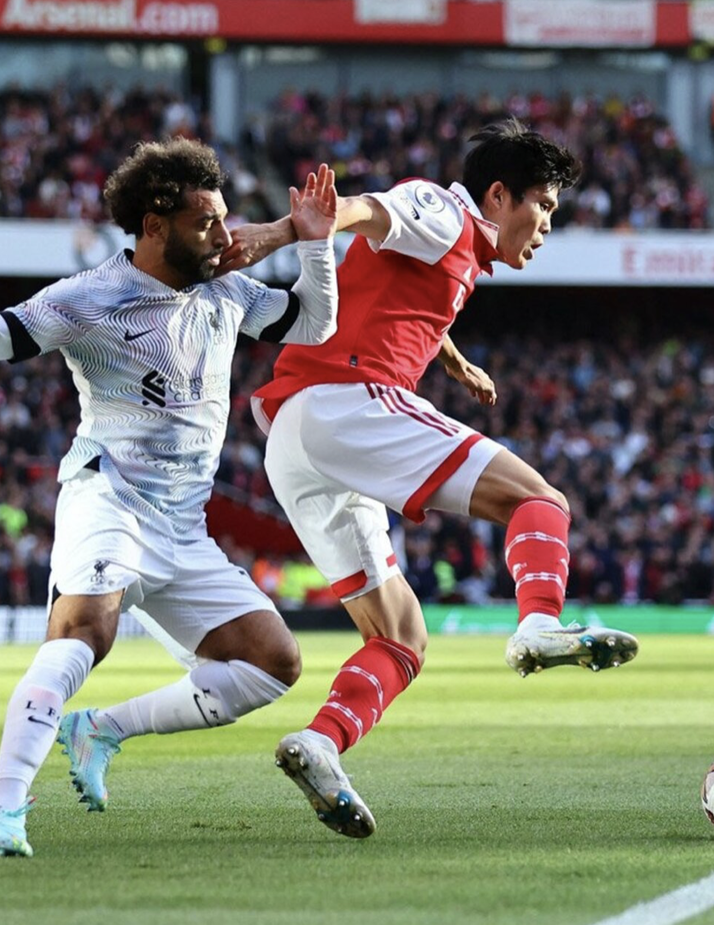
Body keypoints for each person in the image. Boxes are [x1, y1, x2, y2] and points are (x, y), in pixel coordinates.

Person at [0, 140, 341, 857]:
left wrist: (314, 244)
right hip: (110, 498)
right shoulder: (90, 296)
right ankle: (2, 812)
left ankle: (101, 729)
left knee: (273, 663)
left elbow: (313, 324)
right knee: (83, 635)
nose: (224, 236)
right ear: (155, 225)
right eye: (206, 222)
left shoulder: (226, 288)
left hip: (184, 524)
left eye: (223, 218)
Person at [246, 119, 639, 838]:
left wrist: (454, 362)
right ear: (499, 195)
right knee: (540, 501)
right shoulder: (443, 209)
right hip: (348, 400)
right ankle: (539, 624)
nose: (547, 225)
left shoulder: (457, 248)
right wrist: (281, 234)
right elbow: (366, 212)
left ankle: (320, 743)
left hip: (296, 440)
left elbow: (404, 285)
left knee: (400, 638)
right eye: (543, 205)